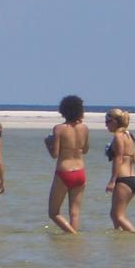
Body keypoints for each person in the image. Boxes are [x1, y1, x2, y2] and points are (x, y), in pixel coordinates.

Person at [45, 95, 89, 233]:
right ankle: (72, 245)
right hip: (80, 171)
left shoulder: (59, 129)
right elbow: (86, 150)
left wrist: (48, 144)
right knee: (74, 213)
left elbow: (55, 154)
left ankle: (73, 235)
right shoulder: (84, 128)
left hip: (65, 171)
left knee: (53, 213)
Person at [104, 108, 135, 232]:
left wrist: (112, 181)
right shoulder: (128, 135)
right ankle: (119, 242)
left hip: (123, 180)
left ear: (114, 121)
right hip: (132, 180)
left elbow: (118, 159)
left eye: (107, 121)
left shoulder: (118, 136)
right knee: (116, 215)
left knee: (117, 216)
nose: (105, 124)